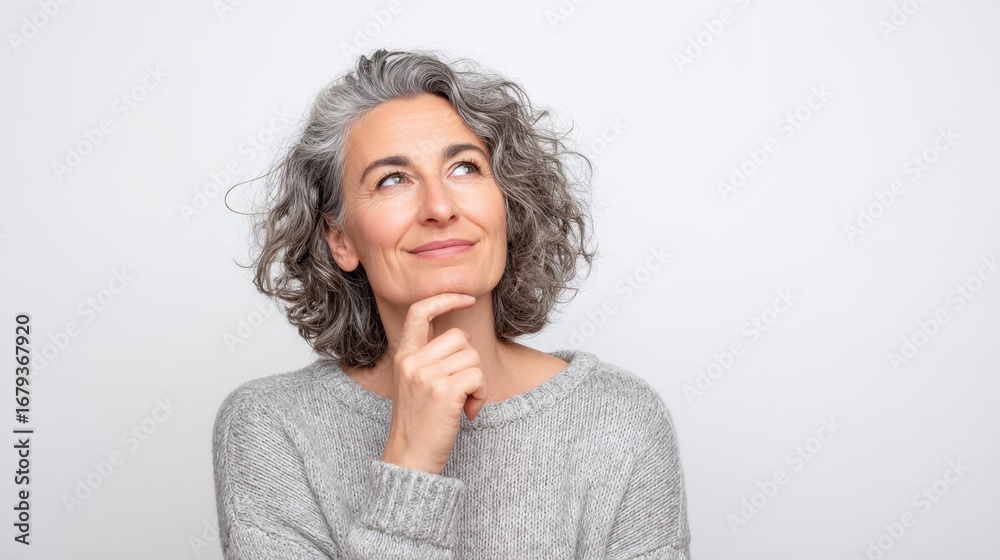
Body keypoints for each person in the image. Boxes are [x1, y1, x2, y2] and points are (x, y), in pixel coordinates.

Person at [212, 48, 691, 559]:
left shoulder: (621, 418)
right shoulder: (270, 428)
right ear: (340, 239)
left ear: (507, 206)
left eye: (464, 168)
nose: (439, 208)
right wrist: (410, 462)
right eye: (392, 179)